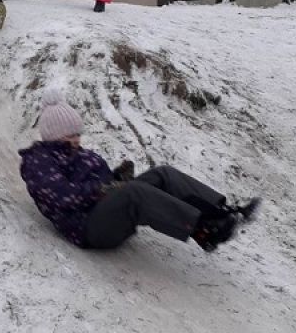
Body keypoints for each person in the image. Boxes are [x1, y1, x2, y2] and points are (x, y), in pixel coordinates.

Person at [19, 89, 260, 252]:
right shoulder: (38, 161)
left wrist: (116, 178)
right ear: (54, 135)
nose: (76, 140)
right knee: (135, 193)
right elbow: (62, 196)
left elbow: (102, 188)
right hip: (88, 228)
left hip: (105, 213)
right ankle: (203, 230)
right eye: (70, 135)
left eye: (77, 134)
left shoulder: (77, 153)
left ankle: (220, 212)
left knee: (162, 174)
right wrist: (107, 188)